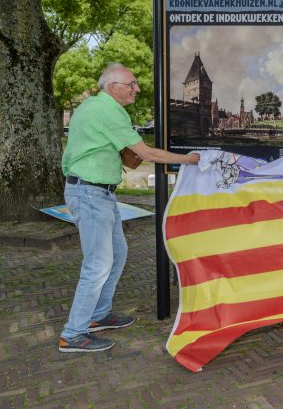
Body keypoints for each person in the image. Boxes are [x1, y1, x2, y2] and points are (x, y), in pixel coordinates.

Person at [59, 63, 199, 353]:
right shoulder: (109, 110)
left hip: (97, 192)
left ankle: (99, 316)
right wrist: (190, 159)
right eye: (131, 84)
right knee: (97, 263)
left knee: (117, 253)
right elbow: (145, 153)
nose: (136, 88)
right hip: (90, 193)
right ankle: (73, 334)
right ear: (113, 87)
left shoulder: (92, 106)